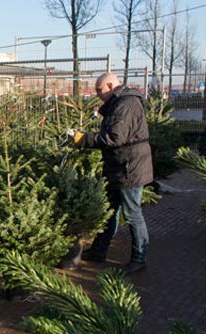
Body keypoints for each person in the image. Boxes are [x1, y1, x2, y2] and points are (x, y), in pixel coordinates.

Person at [69, 72, 153, 274]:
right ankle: (99, 251)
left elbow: (115, 137)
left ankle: (139, 258)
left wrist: (83, 139)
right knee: (110, 211)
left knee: (132, 214)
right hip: (119, 167)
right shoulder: (118, 103)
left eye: (99, 89)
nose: (96, 93)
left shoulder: (126, 104)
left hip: (129, 168)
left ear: (110, 85)